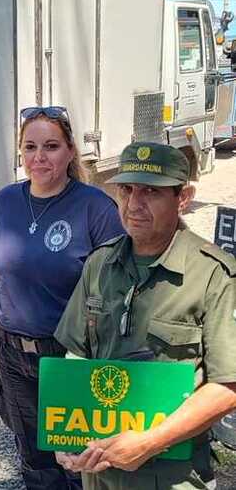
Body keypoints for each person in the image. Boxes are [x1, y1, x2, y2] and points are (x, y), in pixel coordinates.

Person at [54, 142, 236, 489]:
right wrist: (64, 436)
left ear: (183, 197)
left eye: (151, 192)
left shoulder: (213, 275)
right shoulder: (100, 264)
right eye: (126, 189)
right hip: (100, 468)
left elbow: (228, 386)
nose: (133, 205)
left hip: (172, 475)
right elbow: (77, 355)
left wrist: (148, 442)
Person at [0, 106, 125, 489]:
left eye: (51, 146)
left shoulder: (95, 207)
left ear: (71, 151)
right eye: (30, 147)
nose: (39, 157)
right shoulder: (4, 202)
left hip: (68, 356)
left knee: (77, 460)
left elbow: (117, 286)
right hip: (11, 351)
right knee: (34, 456)